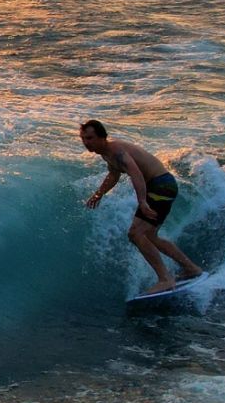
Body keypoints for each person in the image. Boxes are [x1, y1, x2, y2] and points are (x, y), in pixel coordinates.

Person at [80, 119, 204, 293]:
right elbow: (113, 175)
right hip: (161, 186)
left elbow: (136, 173)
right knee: (150, 235)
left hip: (161, 186)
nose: (86, 142)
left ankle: (166, 279)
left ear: (102, 137)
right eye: (83, 138)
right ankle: (191, 269)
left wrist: (142, 201)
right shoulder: (106, 153)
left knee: (136, 233)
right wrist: (98, 195)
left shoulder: (116, 151)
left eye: (90, 138)